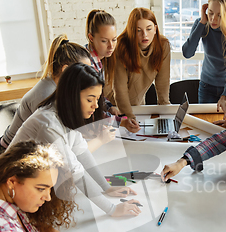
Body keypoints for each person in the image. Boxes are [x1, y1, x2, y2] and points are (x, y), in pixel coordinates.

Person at [10, 63, 142, 217]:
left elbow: (82, 152)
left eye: (97, 99)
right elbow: (75, 172)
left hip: (29, 187)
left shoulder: (64, 114)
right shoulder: (48, 124)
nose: (95, 106)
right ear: (72, 96)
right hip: (14, 192)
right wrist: (112, 209)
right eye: (89, 99)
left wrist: (106, 187)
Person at [0, 35, 90, 159]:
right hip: (7, 155)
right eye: (84, 71)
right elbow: (59, 142)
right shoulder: (46, 95)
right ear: (67, 70)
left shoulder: (59, 86)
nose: (88, 77)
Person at [182, 0, 226, 121]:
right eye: (210, 13)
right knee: (205, 124)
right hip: (207, 87)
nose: (213, 19)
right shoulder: (203, 24)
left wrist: (225, 96)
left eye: (220, 15)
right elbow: (187, 53)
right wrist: (201, 22)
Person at [110, 7, 171, 121]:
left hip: (138, 104)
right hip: (114, 105)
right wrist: (128, 116)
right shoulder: (121, 47)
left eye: (149, 29)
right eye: (138, 30)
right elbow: (120, 89)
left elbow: (163, 83)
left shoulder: (163, 45)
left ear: (155, 29)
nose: (145, 35)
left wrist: (166, 113)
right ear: (131, 31)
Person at [85, 10, 139, 134]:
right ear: (91, 38)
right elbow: (91, 111)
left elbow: (98, 96)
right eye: (104, 41)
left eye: (114, 39)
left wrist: (110, 107)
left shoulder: (97, 60)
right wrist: (122, 122)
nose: (111, 46)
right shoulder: (88, 66)